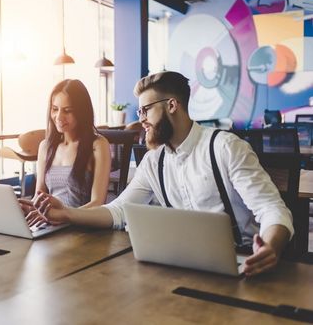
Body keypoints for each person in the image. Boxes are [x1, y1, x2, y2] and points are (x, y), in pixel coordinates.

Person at [29, 71, 293, 277]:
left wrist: (271, 245)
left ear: (172, 105)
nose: (140, 119)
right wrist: (66, 213)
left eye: (145, 110)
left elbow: (271, 209)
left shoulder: (225, 148)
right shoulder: (154, 162)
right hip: (181, 263)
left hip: (241, 262)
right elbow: (118, 211)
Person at [24, 79, 111, 217]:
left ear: (82, 112)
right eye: (55, 109)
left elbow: (98, 203)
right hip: (49, 222)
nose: (59, 117)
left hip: (81, 226)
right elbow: (38, 197)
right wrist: (26, 207)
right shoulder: (45, 147)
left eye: (67, 111)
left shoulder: (98, 145)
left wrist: (62, 216)